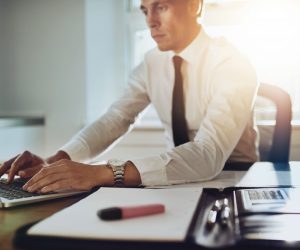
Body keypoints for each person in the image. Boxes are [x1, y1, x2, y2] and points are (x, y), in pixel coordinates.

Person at [0, 0, 259, 193]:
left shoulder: (231, 63)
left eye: (161, 7)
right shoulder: (152, 63)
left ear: (194, 5)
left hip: (233, 181)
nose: (150, 21)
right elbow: (116, 118)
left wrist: (101, 172)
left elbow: (207, 155)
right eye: (145, 10)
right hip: (176, 180)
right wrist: (55, 160)